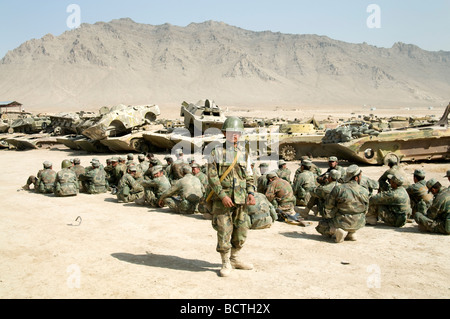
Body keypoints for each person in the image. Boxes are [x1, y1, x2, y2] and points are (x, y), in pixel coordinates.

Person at [207, 116, 256, 277]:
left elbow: (249, 175)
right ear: (223, 133)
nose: (234, 135)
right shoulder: (216, 152)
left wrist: (250, 192)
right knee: (223, 230)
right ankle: (225, 261)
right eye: (231, 132)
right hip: (224, 201)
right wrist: (222, 196)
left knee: (241, 230)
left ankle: (235, 258)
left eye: (237, 133)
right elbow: (212, 177)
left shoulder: (244, 153)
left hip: (241, 199)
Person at [316, 164, 369, 243]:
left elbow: (328, 206)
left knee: (321, 226)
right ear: (356, 177)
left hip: (341, 221)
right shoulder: (364, 191)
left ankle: (337, 231)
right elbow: (366, 209)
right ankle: (351, 233)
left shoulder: (339, 189)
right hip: (359, 222)